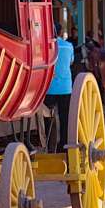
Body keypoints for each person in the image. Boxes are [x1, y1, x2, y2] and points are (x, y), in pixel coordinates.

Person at [44, 22, 75, 152]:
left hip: (49, 88)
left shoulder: (46, 46)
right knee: (65, 118)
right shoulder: (68, 46)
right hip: (65, 88)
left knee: (49, 118)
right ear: (61, 32)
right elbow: (71, 62)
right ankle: (63, 146)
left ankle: (50, 146)